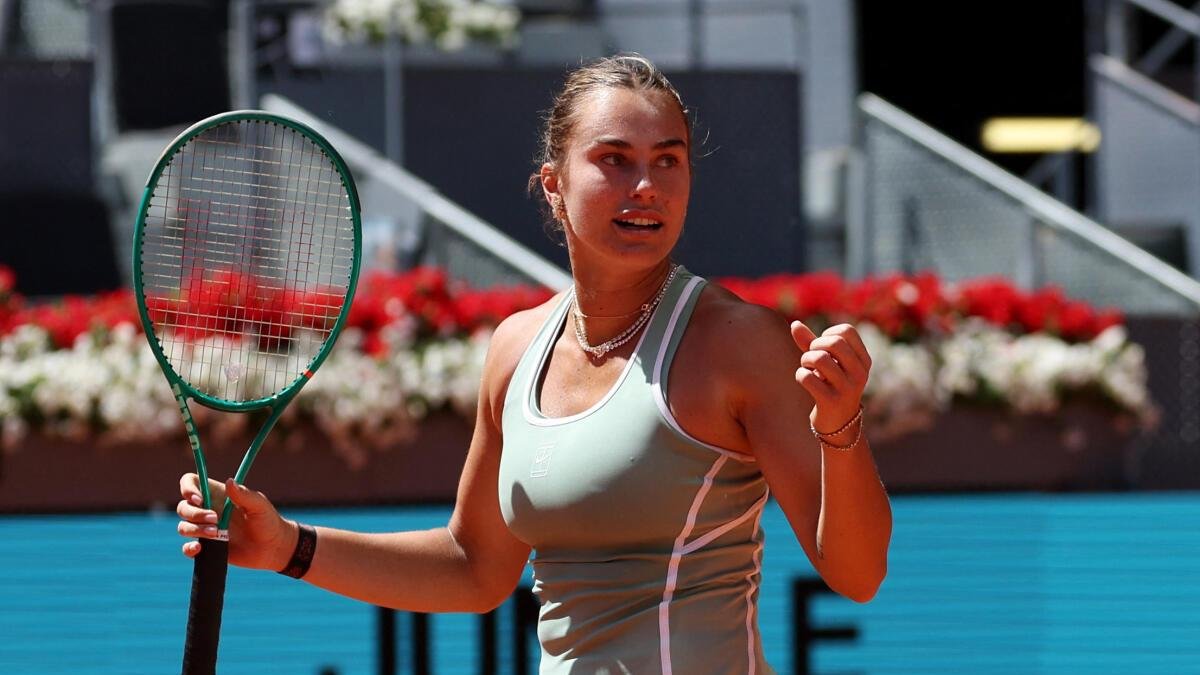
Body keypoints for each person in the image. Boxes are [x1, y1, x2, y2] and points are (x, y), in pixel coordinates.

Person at [176, 54, 892, 673]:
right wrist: (288, 547)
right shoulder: (517, 348)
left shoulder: (739, 342)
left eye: (667, 160)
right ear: (553, 183)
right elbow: (473, 566)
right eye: (615, 159)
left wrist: (840, 426)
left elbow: (857, 575)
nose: (646, 185)